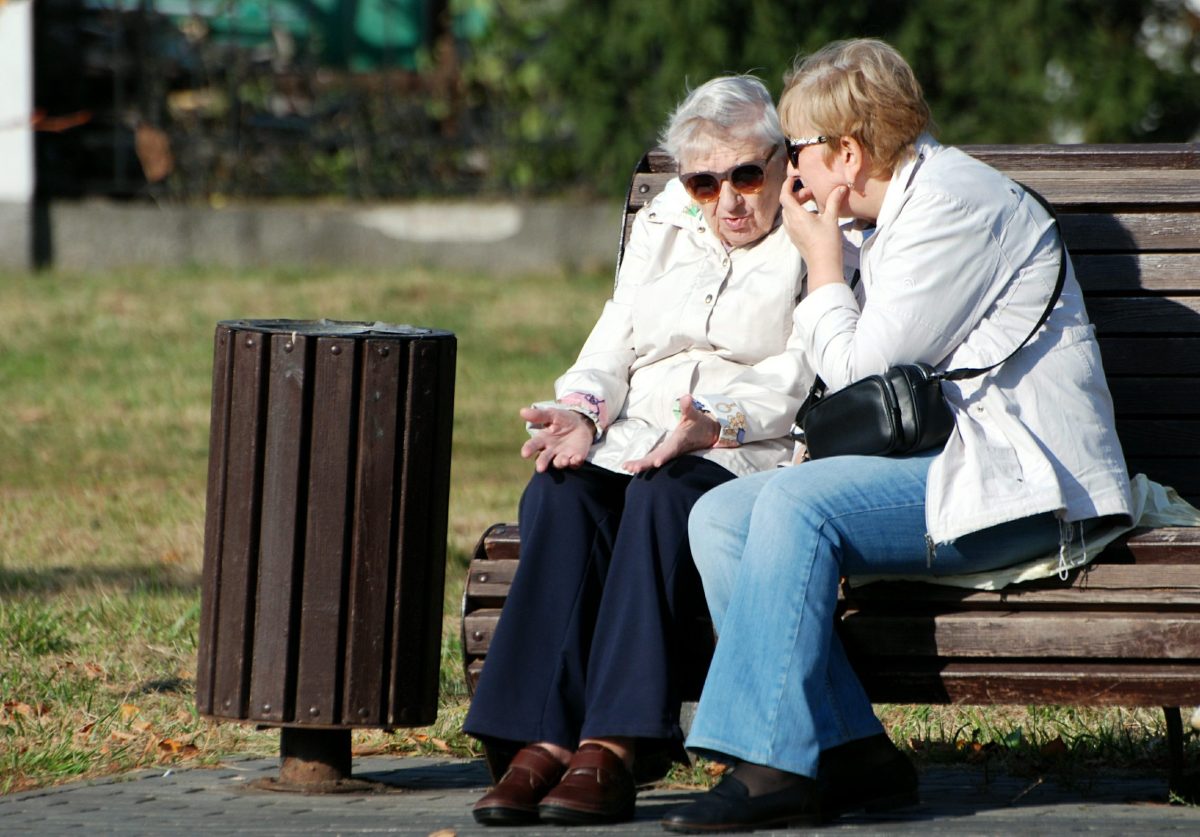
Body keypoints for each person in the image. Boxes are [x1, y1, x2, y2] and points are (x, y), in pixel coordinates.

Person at [662, 39, 1134, 833]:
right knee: (720, 515)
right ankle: (851, 752)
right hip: (954, 467)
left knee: (798, 506)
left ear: (847, 153)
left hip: (1028, 486)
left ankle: (770, 763)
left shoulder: (954, 206)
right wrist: (833, 248)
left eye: (798, 151)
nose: (792, 171)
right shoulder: (892, 214)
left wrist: (821, 262)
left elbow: (860, 371)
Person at [461, 74, 843, 827]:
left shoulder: (809, 230)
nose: (728, 200)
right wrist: (582, 410)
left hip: (745, 446)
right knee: (561, 489)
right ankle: (541, 738)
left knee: (662, 497)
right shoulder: (665, 220)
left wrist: (715, 421)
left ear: (780, 162)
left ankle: (615, 743)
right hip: (637, 435)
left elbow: (803, 373)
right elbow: (617, 335)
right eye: (705, 182)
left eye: (746, 175)